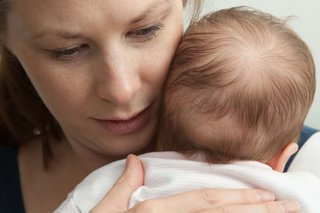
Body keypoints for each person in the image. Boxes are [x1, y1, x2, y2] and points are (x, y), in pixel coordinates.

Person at [0, 0, 314, 212]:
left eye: (145, 30)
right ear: (6, 41)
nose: (121, 90)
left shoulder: (311, 161)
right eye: (67, 50)